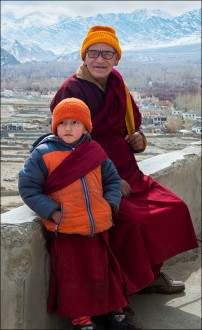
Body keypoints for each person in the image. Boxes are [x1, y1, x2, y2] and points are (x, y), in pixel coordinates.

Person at [49, 25, 199, 329]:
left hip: (128, 168)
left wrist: (139, 139)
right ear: (85, 56)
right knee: (128, 223)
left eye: (108, 53)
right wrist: (109, 180)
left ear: (117, 59)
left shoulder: (117, 82)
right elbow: (67, 141)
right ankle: (120, 299)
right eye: (94, 52)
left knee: (173, 208)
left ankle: (150, 276)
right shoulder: (71, 90)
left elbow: (133, 121)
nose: (100, 59)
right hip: (93, 175)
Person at [19, 97, 131, 330]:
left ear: (86, 127)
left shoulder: (95, 151)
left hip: (97, 226)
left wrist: (110, 206)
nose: (68, 128)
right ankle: (81, 316)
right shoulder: (43, 154)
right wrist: (52, 212)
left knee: (103, 271)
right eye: (62, 123)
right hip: (67, 228)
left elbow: (112, 181)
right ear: (55, 127)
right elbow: (28, 187)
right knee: (74, 276)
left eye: (75, 123)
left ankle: (112, 307)